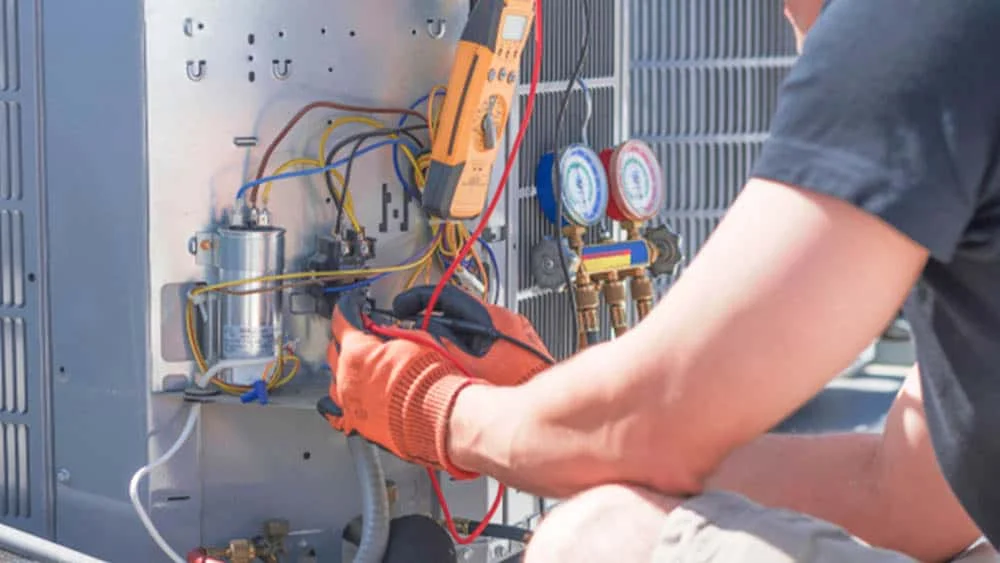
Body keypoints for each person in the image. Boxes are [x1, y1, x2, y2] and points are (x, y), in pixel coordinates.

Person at [319, 0, 1000, 561]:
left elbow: (652, 428)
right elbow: (904, 499)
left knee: (595, 540)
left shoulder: (913, 28)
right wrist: (548, 407)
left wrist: (434, 407)